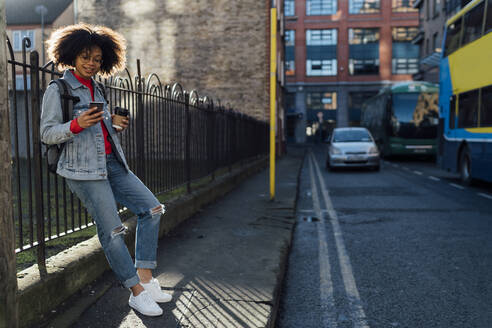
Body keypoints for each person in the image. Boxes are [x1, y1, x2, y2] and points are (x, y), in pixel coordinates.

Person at [40, 23, 170, 317]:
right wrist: (76, 124)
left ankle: (146, 278)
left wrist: (114, 125)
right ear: (71, 55)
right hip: (82, 171)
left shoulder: (97, 86)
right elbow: (47, 133)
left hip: (112, 163)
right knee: (112, 232)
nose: (91, 63)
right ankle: (136, 292)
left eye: (97, 59)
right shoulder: (58, 89)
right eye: (86, 56)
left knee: (152, 209)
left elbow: (100, 131)